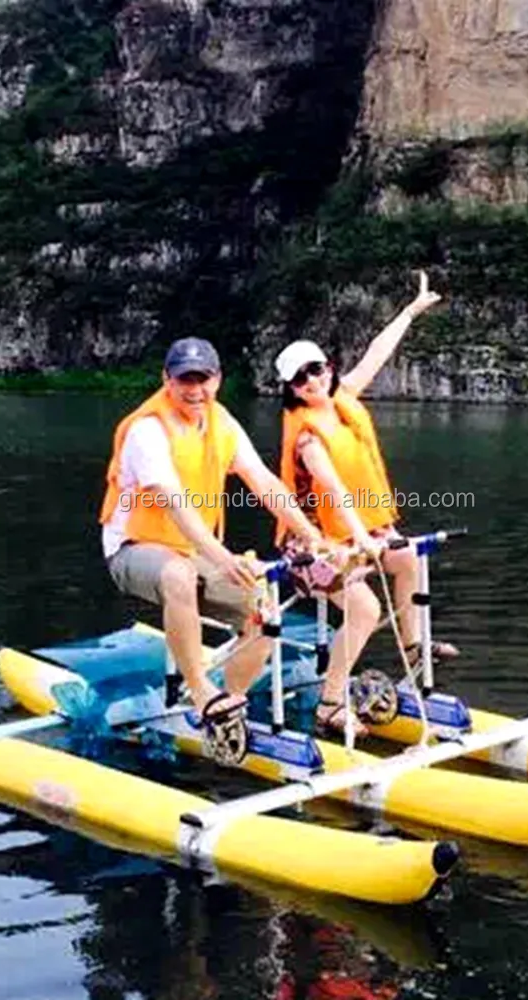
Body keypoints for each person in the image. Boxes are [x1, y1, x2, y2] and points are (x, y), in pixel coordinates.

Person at [99, 336, 328, 730]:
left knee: (264, 611)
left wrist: (311, 535)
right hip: (132, 547)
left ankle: (230, 704)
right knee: (178, 574)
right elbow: (175, 503)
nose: (195, 390)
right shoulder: (147, 430)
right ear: (167, 380)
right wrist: (223, 559)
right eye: (185, 380)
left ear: (218, 380)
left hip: (191, 547)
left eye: (202, 379)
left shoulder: (223, 423)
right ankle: (201, 690)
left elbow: (264, 482)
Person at [274, 270, 459, 736]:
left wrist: (411, 312)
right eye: (300, 379)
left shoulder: (344, 399)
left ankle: (414, 648)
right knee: (364, 608)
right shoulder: (306, 436)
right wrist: (359, 539)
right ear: (291, 389)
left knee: (407, 559)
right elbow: (331, 486)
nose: (311, 381)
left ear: (328, 369)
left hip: (362, 532)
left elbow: (378, 351)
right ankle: (330, 704)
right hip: (312, 543)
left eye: (316, 370)